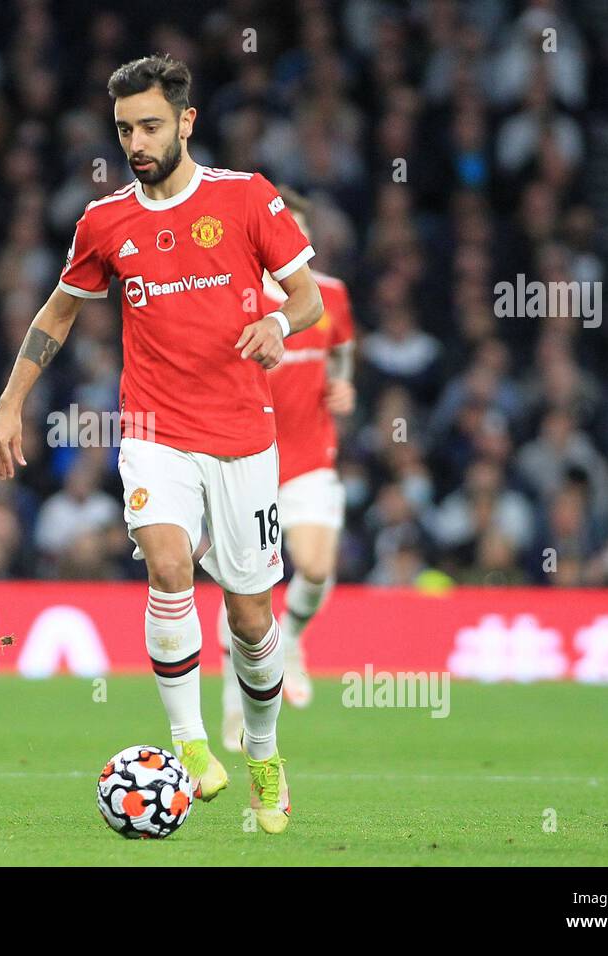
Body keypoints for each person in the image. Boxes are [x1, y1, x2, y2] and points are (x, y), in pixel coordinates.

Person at [0, 54, 323, 834]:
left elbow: (304, 298)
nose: (136, 141)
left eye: (150, 126)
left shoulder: (246, 198)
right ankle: (190, 745)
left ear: (186, 122)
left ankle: (264, 753)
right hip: (154, 433)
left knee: (249, 619)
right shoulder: (105, 222)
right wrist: (9, 408)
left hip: (242, 439)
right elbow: (57, 314)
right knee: (168, 565)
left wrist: (276, 322)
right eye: (125, 128)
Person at [216, 186, 356, 751]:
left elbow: (342, 348)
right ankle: (232, 700)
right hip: (247, 459)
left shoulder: (331, 297)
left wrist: (344, 384)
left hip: (309, 458)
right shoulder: (236, 298)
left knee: (316, 567)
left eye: (296, 231)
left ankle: (292, 639)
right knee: (246, 591)